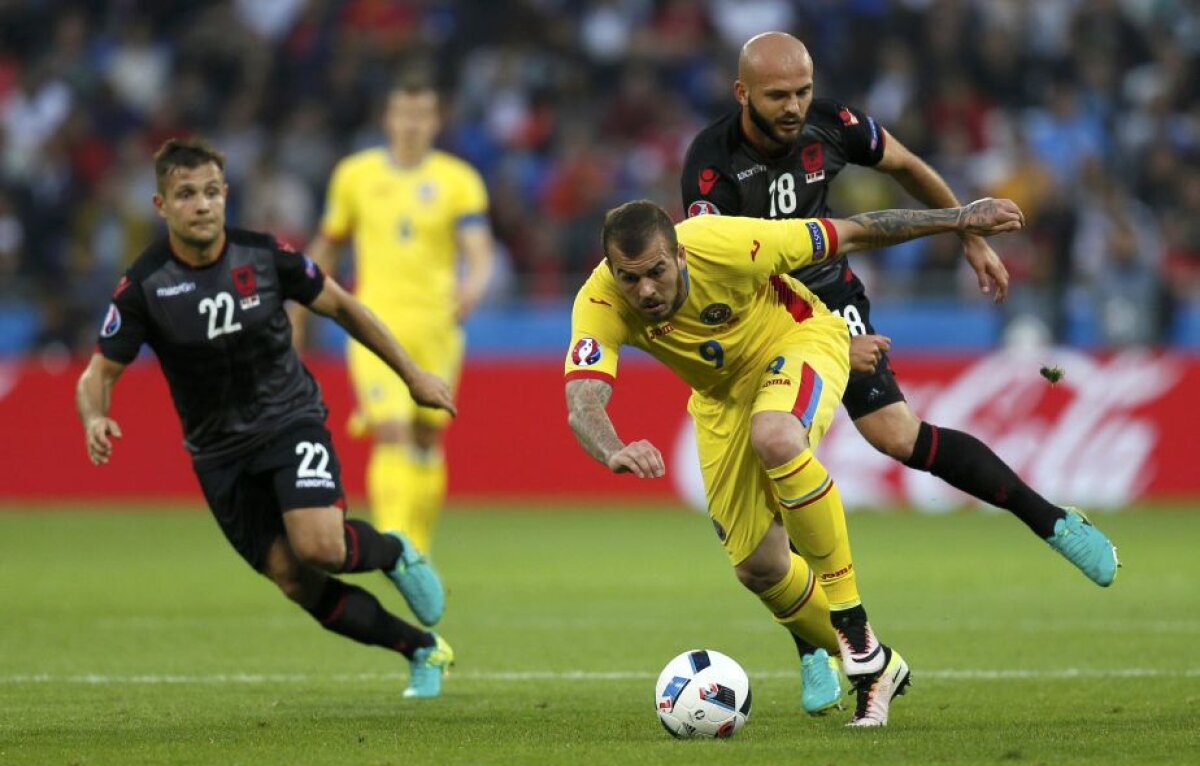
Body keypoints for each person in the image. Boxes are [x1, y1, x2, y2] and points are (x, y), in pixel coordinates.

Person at [680, 31, 1119, 711]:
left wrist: (965, 233)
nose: (795, 106)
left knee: (895, 435)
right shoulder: (710, 167)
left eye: (802, 90)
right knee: (777, 470)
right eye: (778, 96)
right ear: (743, 95)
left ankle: (1053, 520)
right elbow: (727, 269)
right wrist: (811, 340)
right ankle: (814, 648)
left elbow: (908, 166)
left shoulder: (834, 123)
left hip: (829, 290)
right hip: (757, 314)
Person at [565, 196, 1027, 727]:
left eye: (656, 272)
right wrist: (613, 448)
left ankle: (852, 625)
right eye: (629, 278)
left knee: (778, 436)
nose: (644, 290)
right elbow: (582, 400)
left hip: (802, 338)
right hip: (721, 399)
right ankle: (878, 666)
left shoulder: (728, 245)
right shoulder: (599, 301)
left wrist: (958, 219)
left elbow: (852, 231)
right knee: (758, 568)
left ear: (681, 256)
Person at [76, 138, 455, 698]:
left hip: (288, 419)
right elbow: (97, 375)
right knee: (293, 578)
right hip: (218, 454)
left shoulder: (265, 255)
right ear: (162, 206)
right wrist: (94, 418)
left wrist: (413, 376)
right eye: (186, 194)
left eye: (210, 192)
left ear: (226, 195)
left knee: (321, 546)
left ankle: (394, 551)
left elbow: (345, 308)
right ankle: (421, 650)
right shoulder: (145, 286)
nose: (202, 205)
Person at [305, 73, 494, 564]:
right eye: (403, 113)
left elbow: (478, 247)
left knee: (428, 439)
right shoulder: (355, 175)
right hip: (373, 324)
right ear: (388, 118)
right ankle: (394, 547)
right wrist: (297, 291)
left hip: (437, 327)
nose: (411, 124)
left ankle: (419, 551)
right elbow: (330, 239)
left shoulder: (458, 180)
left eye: (422, 114)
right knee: (390, 430)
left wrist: (474, 282)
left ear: (435, 121)